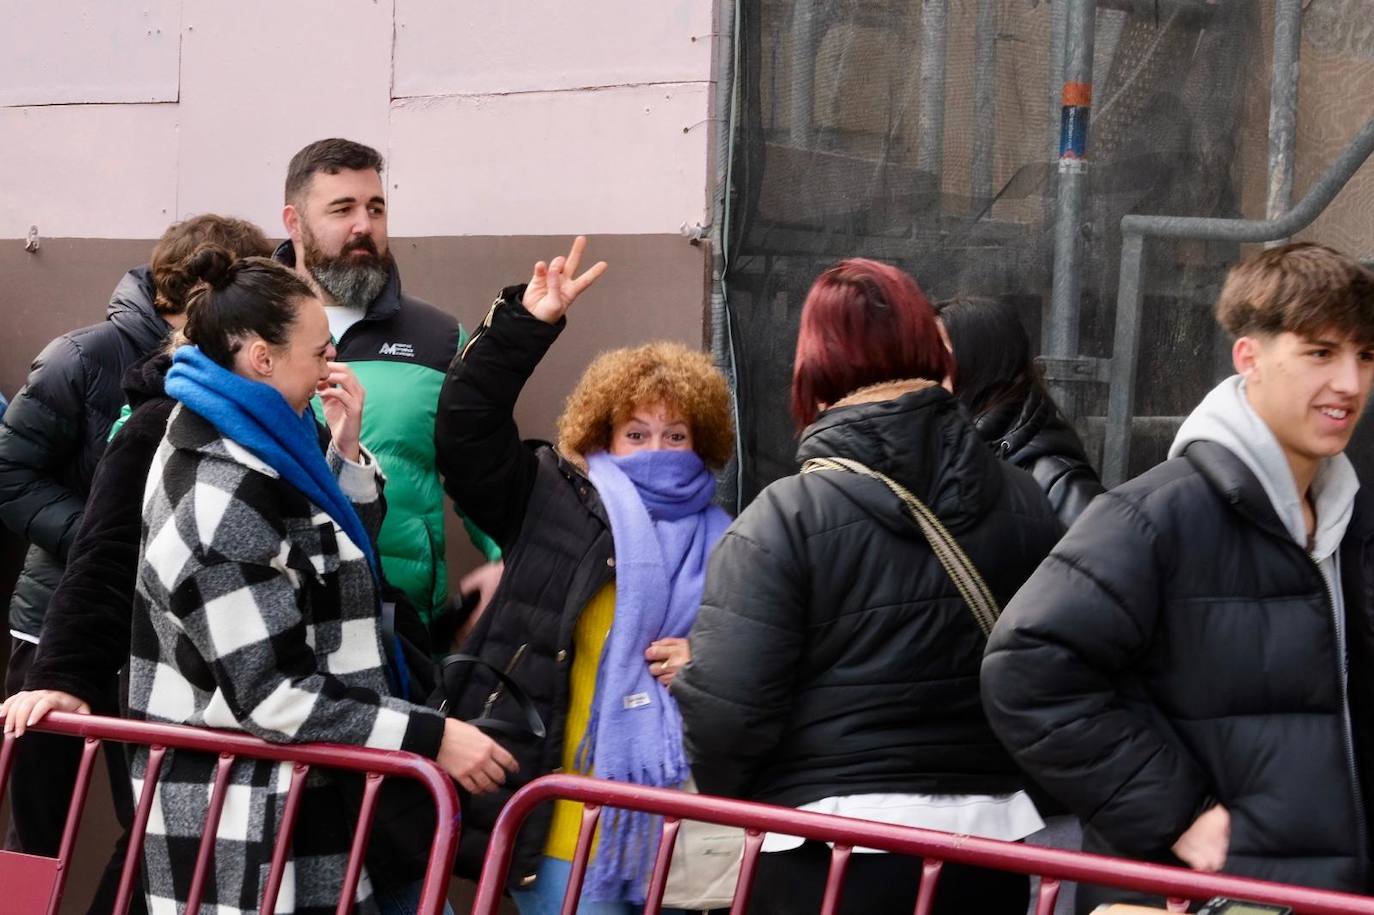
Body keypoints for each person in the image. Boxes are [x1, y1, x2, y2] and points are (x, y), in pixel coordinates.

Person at [981, 243, 1374, 913]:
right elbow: (1027, 668)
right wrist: (1179, 814)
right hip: (1205, 896)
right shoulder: (1156, 515)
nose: (1350, 382)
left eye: (1365, 355)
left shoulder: (1348, 518)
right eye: (1320, 352)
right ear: (1248, 357)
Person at [126, 248, 516, 915]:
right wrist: (432, 737)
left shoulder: (250, 430)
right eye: (319, 351)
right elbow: (272, 694)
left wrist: (346, 448)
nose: (333, 365)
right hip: (260, 829)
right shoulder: (219, 486)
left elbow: (328, 559)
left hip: (325, 795)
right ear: (260, 358)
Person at [673, 258, 1063, 915]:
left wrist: (751, 795)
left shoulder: (785, 516)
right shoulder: (1029, 503)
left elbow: (725, 715)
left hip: (825, 854)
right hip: (992, 854)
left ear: (814, 369)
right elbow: (1058, 674)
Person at [434, 237, 736, 912]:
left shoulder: (733, 541)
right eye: (636, 434)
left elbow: (767, 665)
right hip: (559, 830)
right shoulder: (552, 498)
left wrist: (712, 661)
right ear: (601, 437)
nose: (657, 450)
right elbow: (465, 433)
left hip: (683, 840)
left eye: (675, 435)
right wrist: (524, 327)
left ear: (704, 440)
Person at [0, 215, 273, 915]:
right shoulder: (82, 356)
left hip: (151, 641)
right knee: (34, 832)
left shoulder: (236, 381)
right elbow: (10, 475)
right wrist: (110, 536)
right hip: (57, 626)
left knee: (148, 821)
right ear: (179, 296)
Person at [277, 138, 501, 634]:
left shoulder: (438, 338)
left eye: (375, 208)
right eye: (343, 209)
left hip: (402, 627)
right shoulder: (244, 329)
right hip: (273, 614)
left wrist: (510, 564)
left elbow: (479, 466)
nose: (365, 226)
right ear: (294, 222)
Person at [935, 296, 1105, 527]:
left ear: (980, 365)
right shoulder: (950, 452)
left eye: (940, 363)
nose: (923, 378)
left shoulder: (1055, 479)